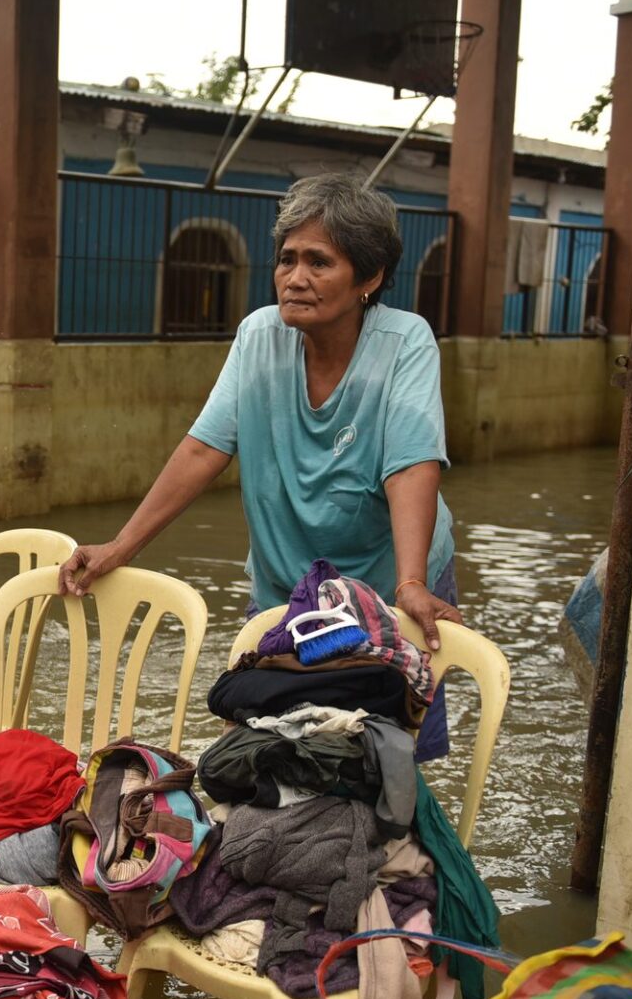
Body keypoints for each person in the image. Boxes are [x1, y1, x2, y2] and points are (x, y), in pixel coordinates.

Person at [59, 174, 464, 759]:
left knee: (388, 754)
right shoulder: (258, 336)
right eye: (286, 259)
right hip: (286, 587)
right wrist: (120, 548)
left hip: (389, 584)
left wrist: (410, 585)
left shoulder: (405, 342)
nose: (295, 278)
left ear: (369, 279)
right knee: (270, 747)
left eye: (319, 262)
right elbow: (204, 449)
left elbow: (410, 467)